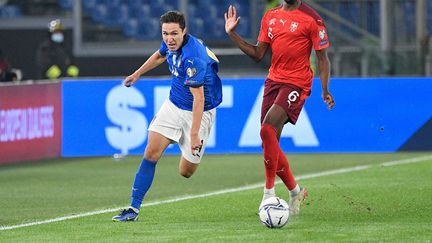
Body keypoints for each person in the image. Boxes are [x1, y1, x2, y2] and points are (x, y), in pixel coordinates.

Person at [224, 0, 335, 215]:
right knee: (269, 142)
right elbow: (258, 54)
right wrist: (232, 34)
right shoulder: (270, 16)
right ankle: (296, 190)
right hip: (273, 81)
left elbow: (323, 59)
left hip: (297, 83)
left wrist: (324, 89)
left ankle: (268, 193)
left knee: (266, 129)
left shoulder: (313, 19)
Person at [112, 11, 223, 222]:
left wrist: (193, 135)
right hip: (173, 105)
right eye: (165, 34)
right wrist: (137, 74)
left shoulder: (193, 56)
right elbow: (159, 55)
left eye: (174, 34)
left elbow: (198, 99)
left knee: (186, 172)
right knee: (151, 152)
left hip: (199, 111)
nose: (169, 39)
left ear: (184, 32)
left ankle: (182, 142)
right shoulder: (170, 44)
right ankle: (133, 208)